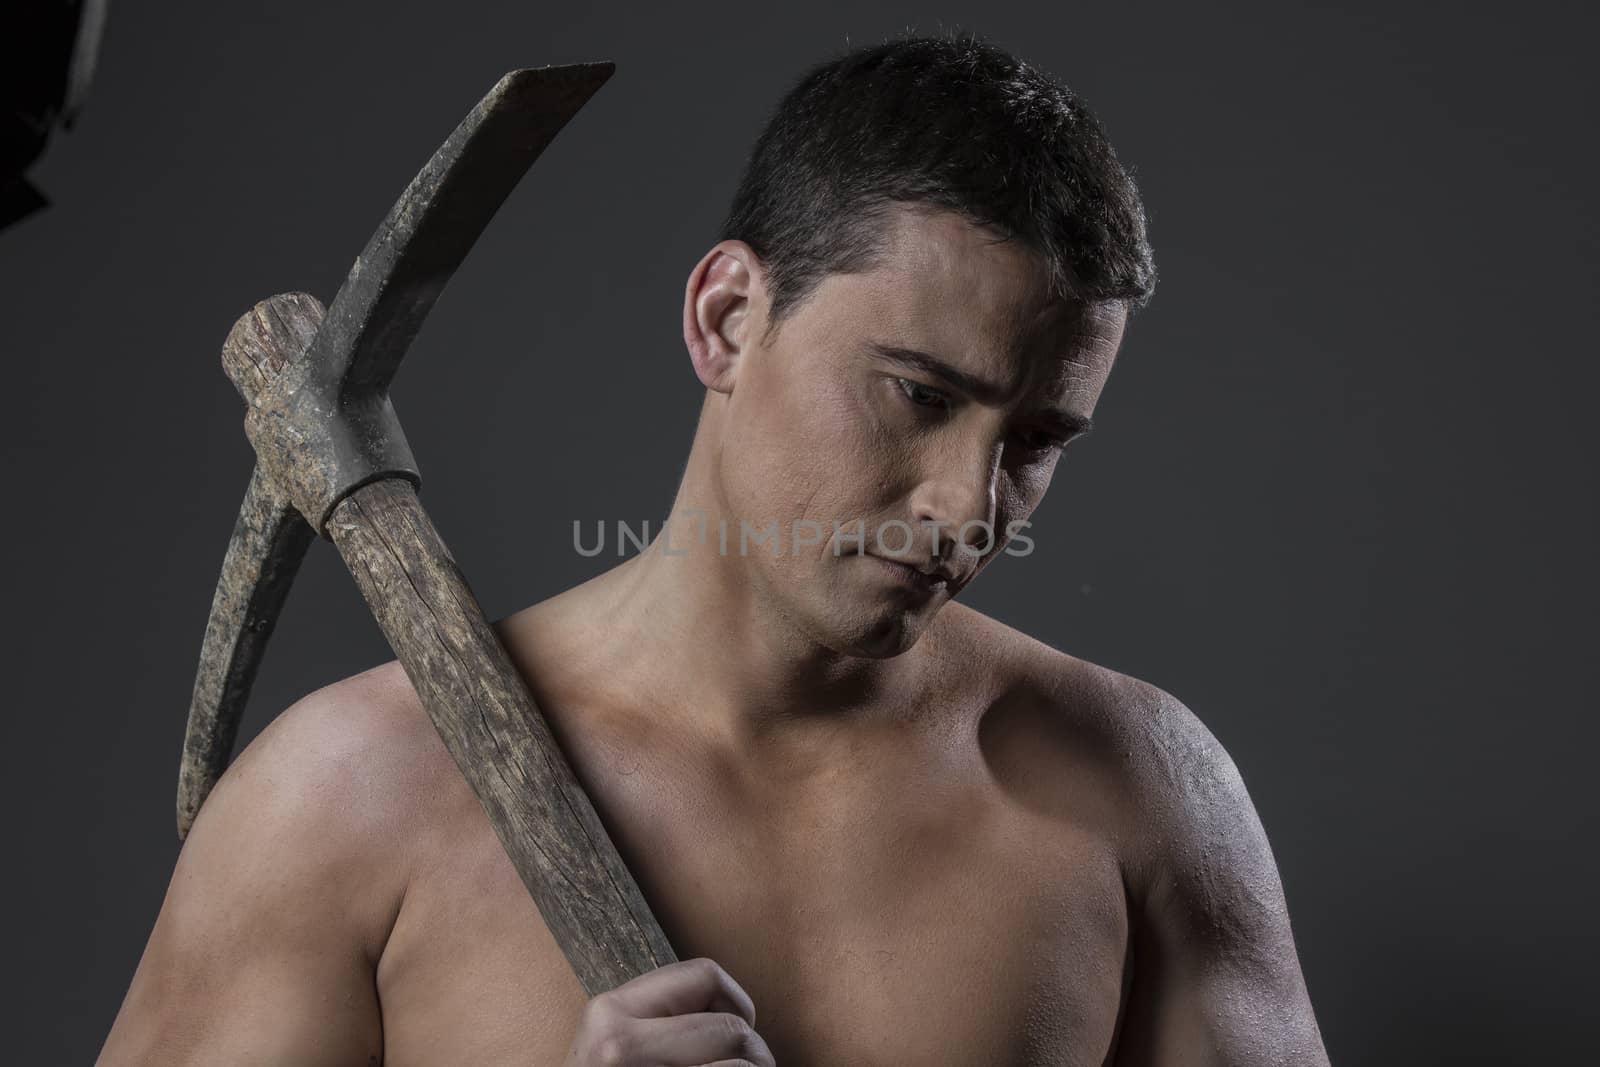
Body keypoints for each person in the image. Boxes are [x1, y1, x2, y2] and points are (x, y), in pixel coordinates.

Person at [99, 30, 1330, 1066]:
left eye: (1039, 437)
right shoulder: (345, 797)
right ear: (728, 318)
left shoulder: (1137, 790)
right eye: (917, 394)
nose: (970, 507)